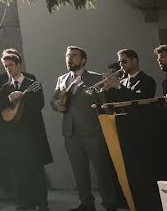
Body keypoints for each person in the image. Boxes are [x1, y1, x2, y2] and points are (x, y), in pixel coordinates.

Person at [50, 46, 118, 211]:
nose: (69, 58)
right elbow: (54, 99)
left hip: (93, 131)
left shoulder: (96, 78)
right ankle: (86, 203)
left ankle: (109, 204)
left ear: (83, 60)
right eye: (67, 56)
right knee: (79, 172)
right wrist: (56, 105)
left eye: (74, 56)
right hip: (70, 133)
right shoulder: (62, 79)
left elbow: (104, 104)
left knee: (102, 171)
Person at [0, 52, 51, 211]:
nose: (8, 69)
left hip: (32, 136)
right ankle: (25, 203)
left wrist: (22, 99)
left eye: (11, 65)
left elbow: (39, 104)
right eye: (6, 67)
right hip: (14, 138)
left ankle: (42, 203)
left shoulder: (33, 84)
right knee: (19, 171)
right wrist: (10, 99)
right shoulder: (5, 88)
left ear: (19, 65)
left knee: (36, 171)